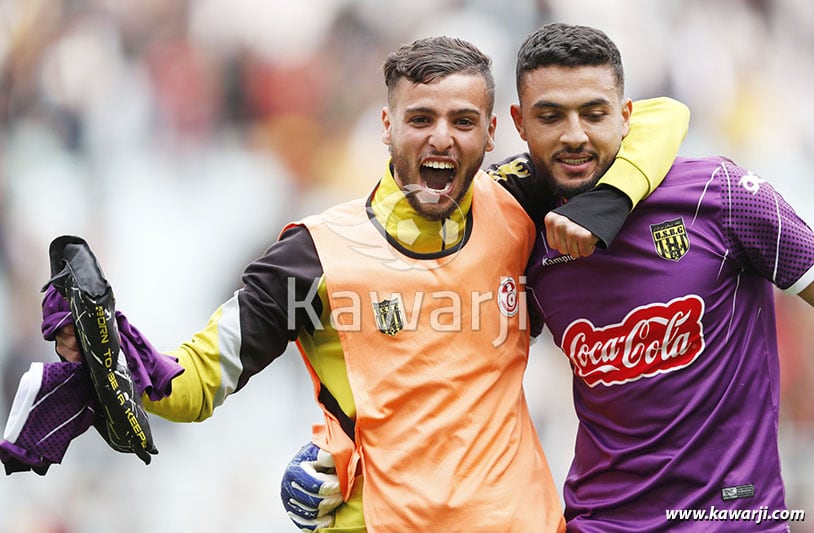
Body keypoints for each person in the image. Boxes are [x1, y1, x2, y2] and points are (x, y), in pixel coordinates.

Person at [32, 35, 689, 531]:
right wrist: (105, 349)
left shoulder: (516, 208)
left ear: (493, 133)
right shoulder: (310, 258)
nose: (442, 138)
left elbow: (659, 119)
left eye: (463, 121)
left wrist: (606, 206)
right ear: (386, 127)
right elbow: (192, 384)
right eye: (420, 118)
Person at [285, 23, 814, 532]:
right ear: (518, 123)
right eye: (551, 116)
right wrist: (338, 444)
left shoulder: (721, 198)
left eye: (594, 113)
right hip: (595, 522)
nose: (575, 135)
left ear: (627, 116)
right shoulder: (518, 234)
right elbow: (436, 364)